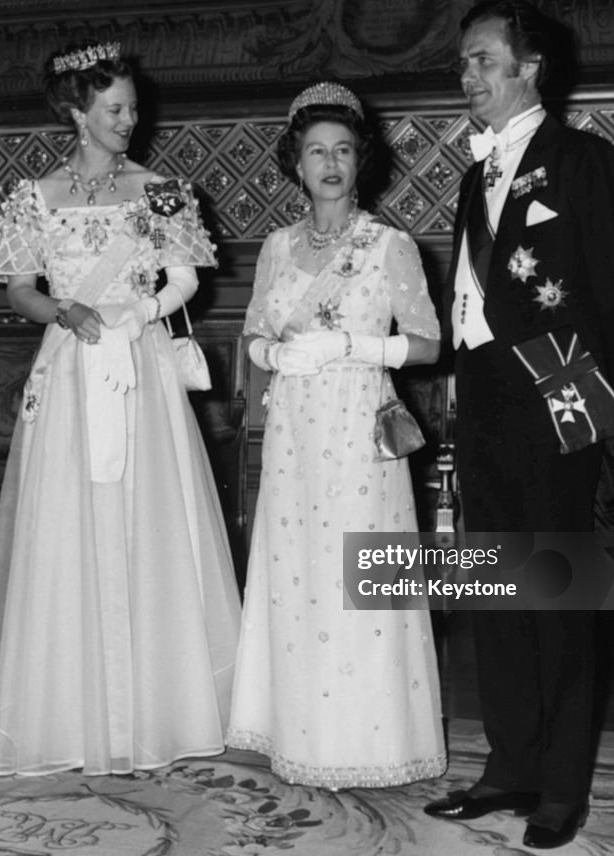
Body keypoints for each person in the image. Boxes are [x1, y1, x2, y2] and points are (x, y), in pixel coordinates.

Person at [0, 42, 242, 776]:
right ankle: (69, 712)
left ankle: (155, 709)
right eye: (115, 108)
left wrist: (140, 309)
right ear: (78, 113)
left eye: (134, 107)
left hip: (139, 365)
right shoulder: (35, 196)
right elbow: (19, 287)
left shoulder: (160, 189)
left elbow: (184, 279)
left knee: (147, 525)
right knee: (67, 528)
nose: (130, 120)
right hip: (70, 366)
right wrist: (63, 308)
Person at [423, 2, 614, 849]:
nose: (467, 77)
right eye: (462, 63)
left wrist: (591, 404)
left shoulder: (586, 163)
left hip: (561, 395)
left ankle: (561, 788)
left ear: (530, 67)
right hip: (484, 398)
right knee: (496, 592)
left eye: (482, 60)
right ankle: (509, 766)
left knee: (556, 596)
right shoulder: (469, 173)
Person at [226, 82, 448, 789]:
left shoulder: (390, 245)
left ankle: (369, 741)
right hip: (294, 430)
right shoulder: (276, 247)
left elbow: (428, 343)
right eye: (315, 151)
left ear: (361, 163)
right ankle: (299, 731)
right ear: (295, 164)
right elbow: (255, 333)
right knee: (299, 574)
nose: (329, 164)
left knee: (359, 575)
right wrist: (272, 356)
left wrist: (353, 347)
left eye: (343, 151)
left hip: (359, 429)